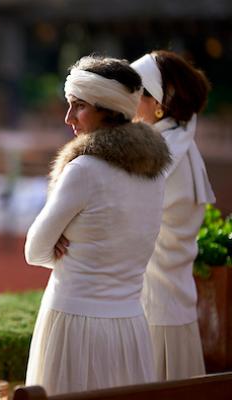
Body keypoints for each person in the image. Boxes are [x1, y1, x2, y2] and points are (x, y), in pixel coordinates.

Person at [24, 55, 171, 395]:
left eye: (78, 106)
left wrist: (58, 247)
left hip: (75, 323)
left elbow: (33, 249)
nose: (68, 118)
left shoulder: (84, 171)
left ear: (106, 108)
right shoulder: (156, 173)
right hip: (131, 325)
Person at [131, 50, 215, 380]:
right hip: (173, 306)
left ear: (160, 103)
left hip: (155, 311)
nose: (130, 102)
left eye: (137, 93)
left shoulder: (161, 154)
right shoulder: (182, 147)